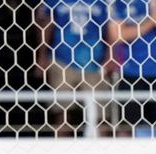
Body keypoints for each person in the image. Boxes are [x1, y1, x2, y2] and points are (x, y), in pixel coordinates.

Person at [36, 0, 112, 136]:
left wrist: (110, 56)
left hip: (94, 62)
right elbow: (45, 23)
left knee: (101, 116)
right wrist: (42, 56)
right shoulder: (53, 1)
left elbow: (111, 27)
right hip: (62, 60)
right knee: (62, 114)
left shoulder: (103, 2)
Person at [109, 0, 156, 135]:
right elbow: (118, 35)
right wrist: (151, 21)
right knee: (128, 130)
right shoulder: (121, 3)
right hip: (129, 74)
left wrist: (155, 4)